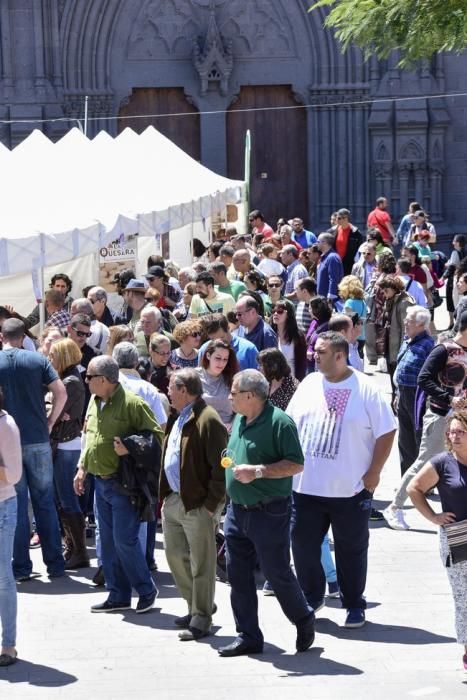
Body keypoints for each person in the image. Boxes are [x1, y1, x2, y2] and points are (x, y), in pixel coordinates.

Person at [287, 332, 396, 627]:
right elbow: (289, 423)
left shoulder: (366, 388)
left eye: (320, 351)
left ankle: (353, 603)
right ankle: (312, 595)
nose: (313, 355)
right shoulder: (309, 384)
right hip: (305, 487)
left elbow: (387, 430)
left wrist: (374, 471)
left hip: (350, 490)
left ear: (339, 355)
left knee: (351, 550)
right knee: (302, 544)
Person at [218, 369, 315, 657]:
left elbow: (296, 464)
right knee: (238, 575)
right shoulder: (239, 419)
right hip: (237, 511)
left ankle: (302, 617)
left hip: (268, 512)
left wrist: (258, 471)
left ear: (251, 396)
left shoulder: (280, 423)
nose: (230, 397)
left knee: (277, 572)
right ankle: (248, 635)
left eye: (234, 393)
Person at [74, 356, 163, 614]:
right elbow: (89, 437)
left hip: (123, 485)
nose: (86, 381)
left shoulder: (133, 404)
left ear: (103, 380)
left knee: (125, 541)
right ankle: (118, 595)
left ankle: (146, 590)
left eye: (89, 377)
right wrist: (82, 469)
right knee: (110, 543)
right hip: (99, 484)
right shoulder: (94, 400)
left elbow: (155, 437)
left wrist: (130, 446)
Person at [160, 369, 228, 641]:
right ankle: (198, 605)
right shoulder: (178, 415)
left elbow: (223, 465)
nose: (167, 391)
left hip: (198, 505)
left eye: (171, 388)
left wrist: (211, 505)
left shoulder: (207, 419)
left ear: (184, 390)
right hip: (174, 499)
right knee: (175, 556)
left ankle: (201, 618)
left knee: (202, 563)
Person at [383, 310, 467, 530]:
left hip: (463, 420)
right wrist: (449, 397)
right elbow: (424, 378)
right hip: (441, 416)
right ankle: (395, 507)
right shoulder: (444, 350)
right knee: (424, 461)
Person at [0, 318, 67, 581]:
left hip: (8, 441)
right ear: (23, 336)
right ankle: (55, 563)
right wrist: (50, 422)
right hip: (38, 437)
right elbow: (60, 393)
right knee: (45, 501)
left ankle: (21, 567)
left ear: (2, 336)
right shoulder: (37, 360)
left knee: (14, 505)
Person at [407, 413, 467, 672]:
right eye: (451, 432)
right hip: (457, 537)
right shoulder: (442, 463)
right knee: (464, 598)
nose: (455, 436)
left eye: (460, 432)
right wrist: (433, 516)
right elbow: (414, 488)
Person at [48, 338, 88, 570]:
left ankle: (79, 551)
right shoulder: (66, 378)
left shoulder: (71, 381)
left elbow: (58, 410)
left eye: (53, 355)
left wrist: (53, 408)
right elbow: (54, 409)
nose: (50, 359)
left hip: (67, 444)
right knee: (62, 497)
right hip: (63, 442)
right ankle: (72, 547)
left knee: (67, 496)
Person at [390, 306, 434, 478]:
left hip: (418, 396)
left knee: (419, 438)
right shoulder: (408, 340)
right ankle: (406, 479)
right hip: (403, 393)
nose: (405, 322)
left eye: (409, 320)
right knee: (404, 438)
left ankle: (422, 481)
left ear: (421, 324)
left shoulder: (428, 345)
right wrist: (397, 394)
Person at [0, 387, 22, 667]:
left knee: (3, 578)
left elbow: (14, 475)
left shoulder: (6, 425)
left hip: (3, 507)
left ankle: (8, 644)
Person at [112, 342, 168, 429]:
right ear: (137, 363)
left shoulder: (104, 384)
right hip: (140, 441)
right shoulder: (148, 389)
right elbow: (161, 425)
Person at [379, 276, 415, 399]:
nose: (383, 294)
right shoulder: (390, 300)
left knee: (398, 378)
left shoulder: (404, 302)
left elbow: (407, 329)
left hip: (399, 347)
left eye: (386, 290)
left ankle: (398, 402)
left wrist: (403, 351)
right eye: (382, 291)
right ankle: (395, 399)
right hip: (390, 344)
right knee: (392, 376)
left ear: (394, 288)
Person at [364, 250, 396, 369]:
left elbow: (377, 295)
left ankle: (382, 363)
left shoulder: (382, 278)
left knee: (381, 337)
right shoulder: (394, 276)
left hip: (380, 312)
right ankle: (385, 361)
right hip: (389, 311)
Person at [196, 340, 238, 428]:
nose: (221, 363)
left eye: (225, 359)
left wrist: (232, 425)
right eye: (218, 358)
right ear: (208, 356)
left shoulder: (233, 379)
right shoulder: (194, 377)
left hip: (227, 433)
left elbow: (241, 410)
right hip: (201, 429)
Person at [270, 301, 307, 380]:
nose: (275, 314)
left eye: (280, 311)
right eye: (274, 311)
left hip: (292, 382)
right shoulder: (269, 334)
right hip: (273, 383)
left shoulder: (298, 337)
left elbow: (302, 365)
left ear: (288, 315)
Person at [338, 275, 367, 358]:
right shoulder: (363, 302)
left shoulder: (349, 302)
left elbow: (346, 319)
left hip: (351, 337)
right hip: (362, 335)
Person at [444, 235, 467, 329]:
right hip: (463, 279)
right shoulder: (465, 252)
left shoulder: (454, 252)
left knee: (451, 301)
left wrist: (443, 278)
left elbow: (451, 267)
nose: (452, 242)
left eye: (454, 241)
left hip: (454, 280)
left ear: (457, 242)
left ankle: (452, 323)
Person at [305, 296, 332, 372]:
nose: (308, 310)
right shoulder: (314, 322)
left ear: (316, 310)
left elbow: (329, 348)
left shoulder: (329, 326)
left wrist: (313, 353)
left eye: (310, 308)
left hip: (320, 366)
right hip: (309, 364)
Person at [334, 208, 364, 275]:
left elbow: (360, 250)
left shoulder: (356, 233)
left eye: (339, 218)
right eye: (336, 218)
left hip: (350, 264)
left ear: (345, 218)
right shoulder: (333, 231)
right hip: (336, 263)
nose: (337, 220)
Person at [316, 233, 344, 303]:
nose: (316, 244)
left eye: (318, 241)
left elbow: (334, 278)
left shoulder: (332, 257)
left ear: (324, 243)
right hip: (322, 299)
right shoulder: (324, 257)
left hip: (329, 301)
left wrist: (331, 297)